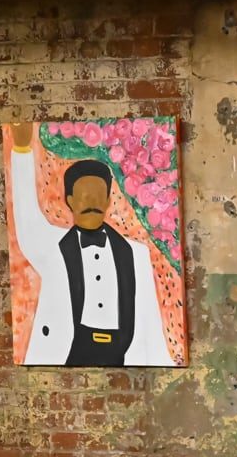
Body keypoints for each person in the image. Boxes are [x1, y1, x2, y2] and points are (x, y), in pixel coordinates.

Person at [9, 121, 174, 366]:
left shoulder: (137, 254)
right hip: (66, 353)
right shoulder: (53, 247)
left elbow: (150, 322)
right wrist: (22, 150)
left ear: (107, 201)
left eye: (98, 196)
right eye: (84, 196)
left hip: (123, 359)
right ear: (70, 200)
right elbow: (27, 221)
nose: (92, 203)